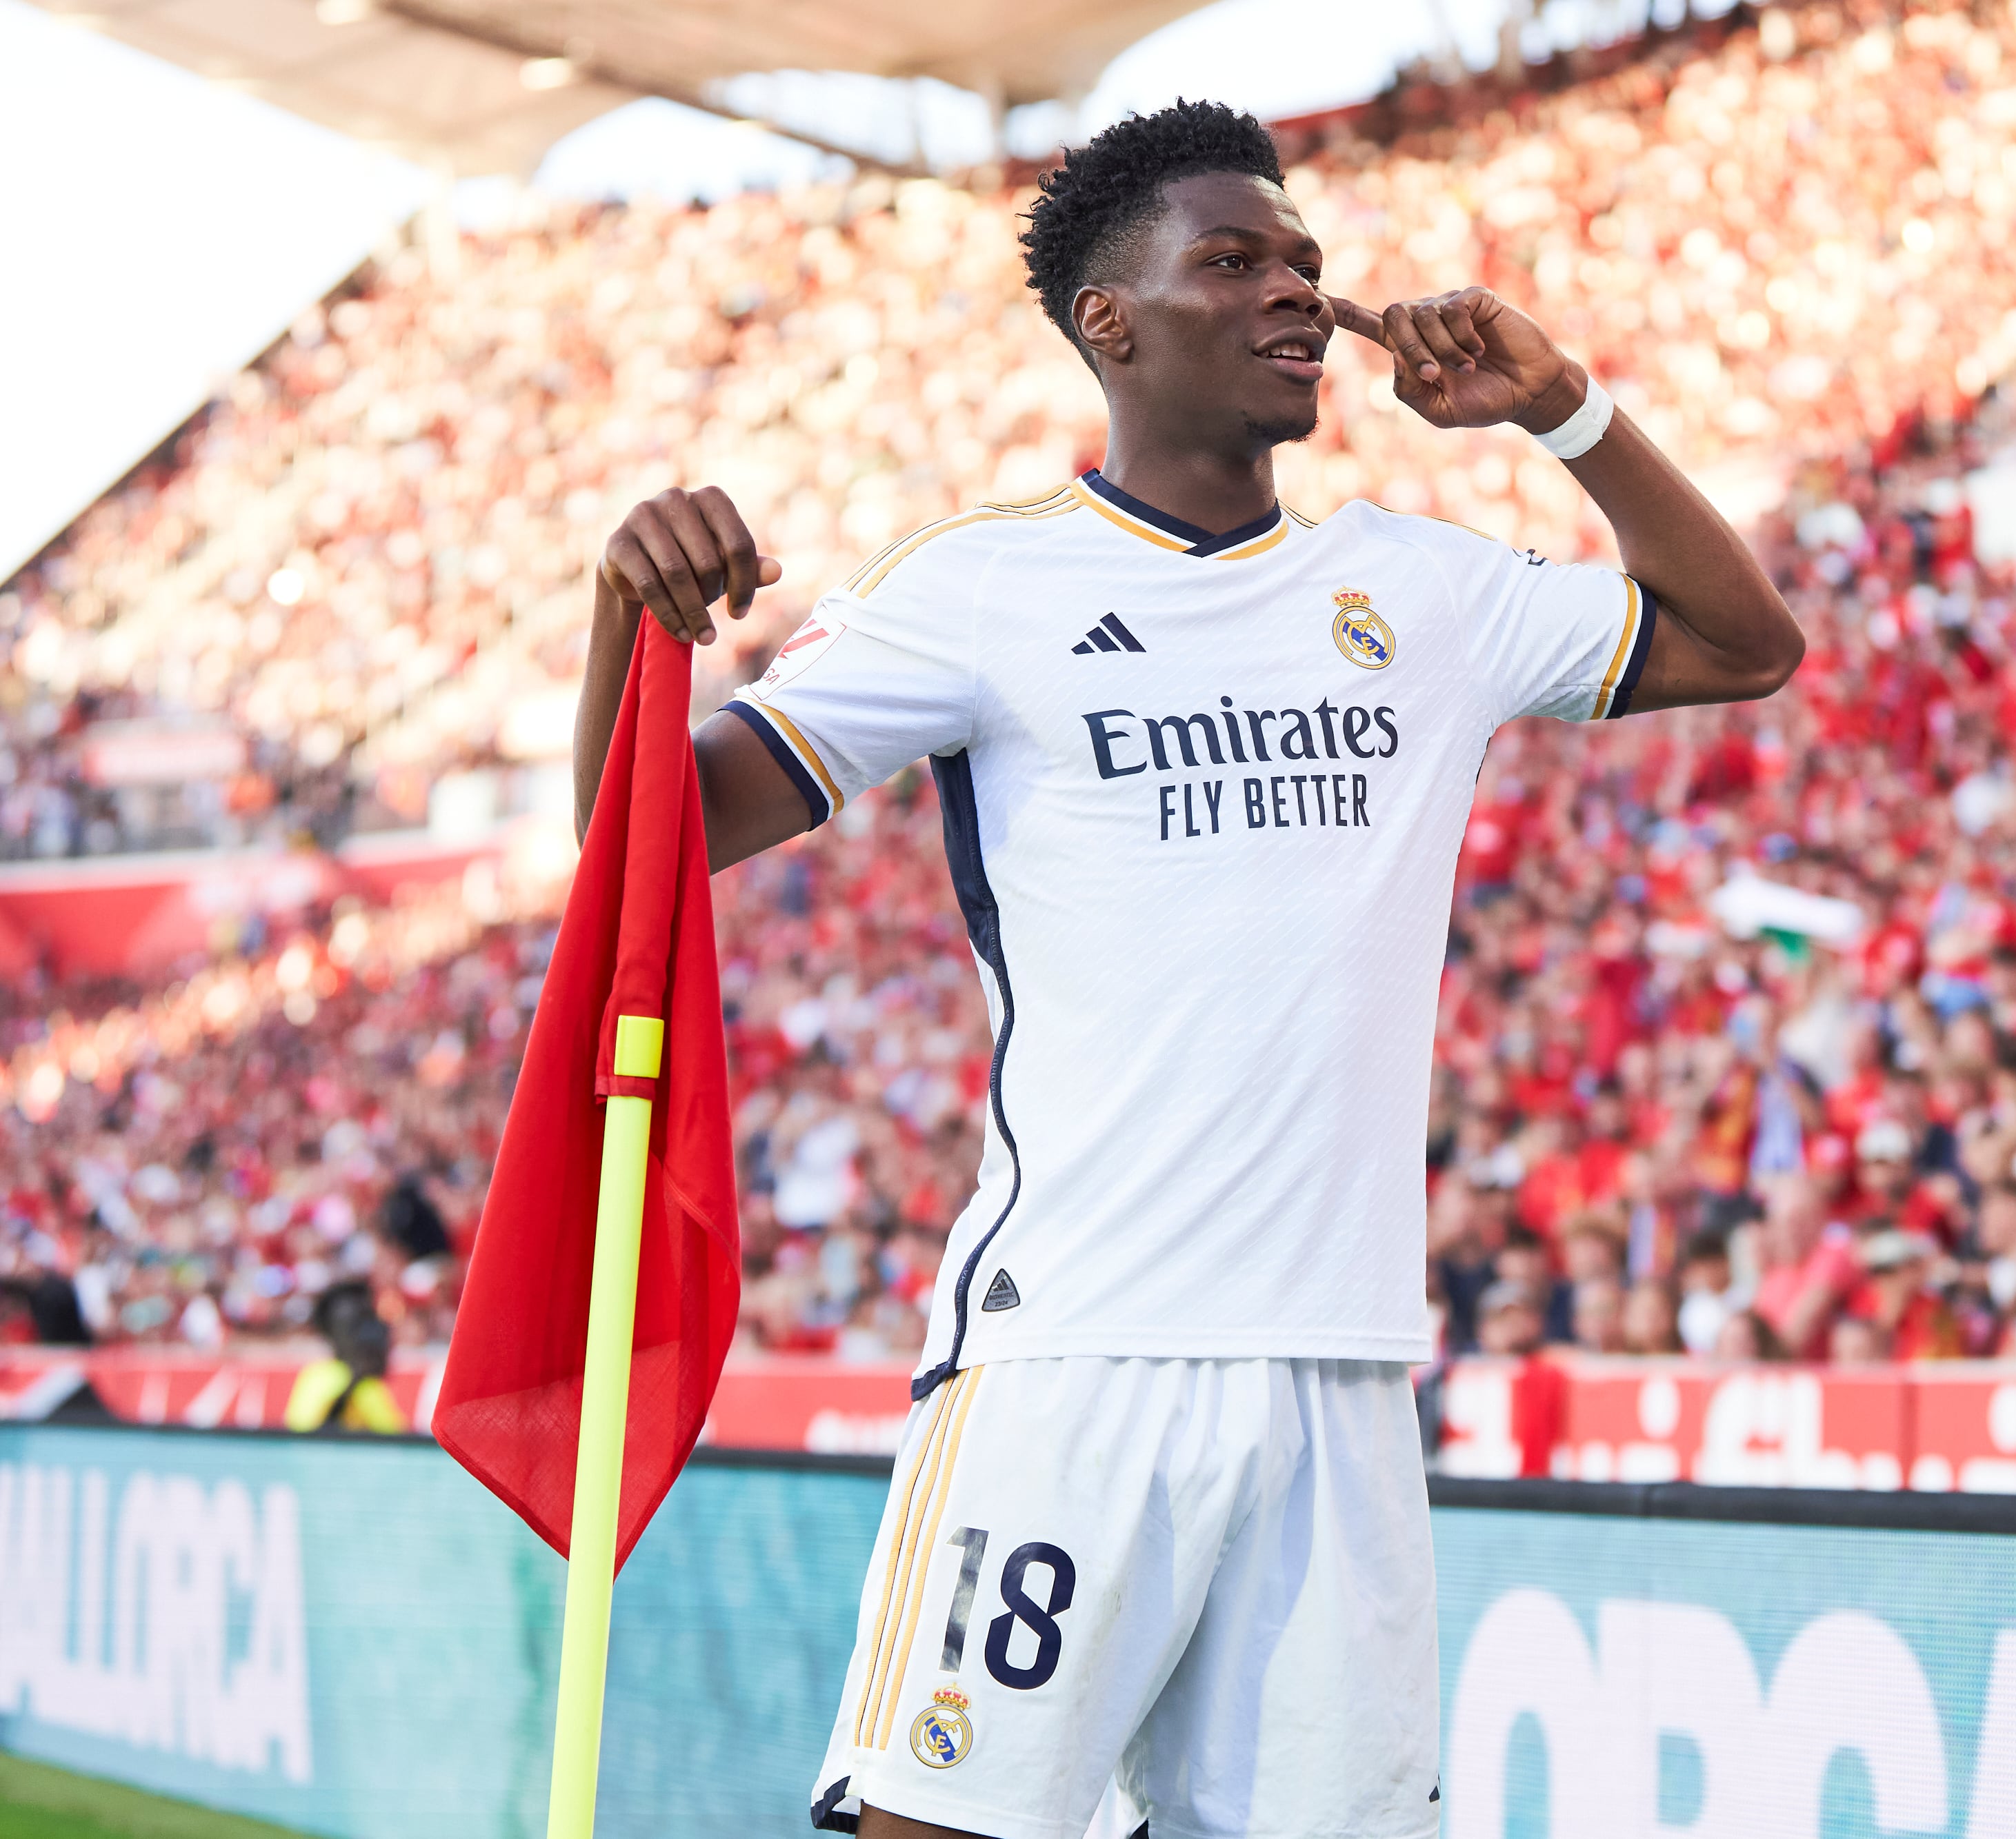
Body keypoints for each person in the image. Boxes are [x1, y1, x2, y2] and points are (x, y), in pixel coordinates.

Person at [570, 102, 1802, 1839]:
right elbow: (644, 851)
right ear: (1110, 322)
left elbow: (1746, 646)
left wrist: (1563, 413)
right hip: (1078, 1352)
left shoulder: (1419, 591)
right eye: (1233, 260)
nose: (1296, 289)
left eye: (1303, 259)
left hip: (1344, 1368)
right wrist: (626, 626)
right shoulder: (984, 586)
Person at [281, 1284, 406, 1434]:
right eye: (357, 1327)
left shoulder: (315, 1375)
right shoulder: (349, 1382)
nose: (372, 1336)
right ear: (334, 1334)